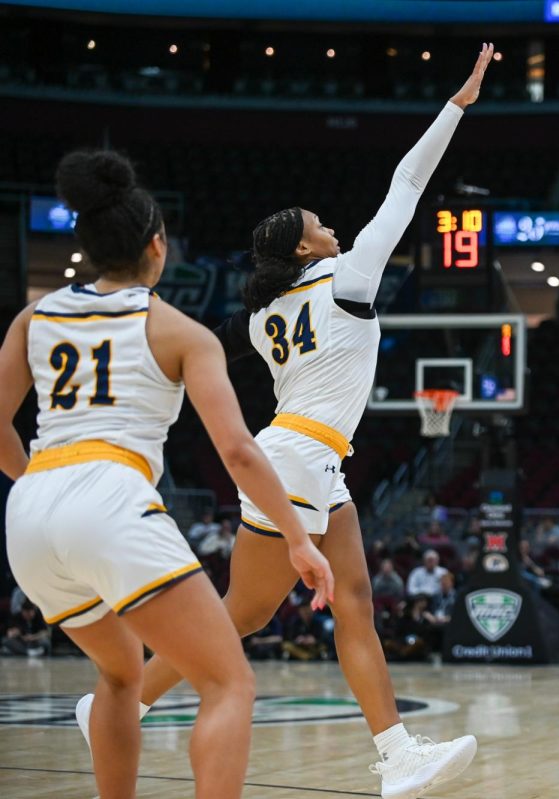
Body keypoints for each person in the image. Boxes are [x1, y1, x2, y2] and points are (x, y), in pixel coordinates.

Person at [82, 48, 494, 799]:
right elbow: (408, 182)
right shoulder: (349, 277)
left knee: (333, 602)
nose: (335, 227)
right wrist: (457, 105)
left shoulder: (267, 310)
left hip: (309, 459)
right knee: (247, 610)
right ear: (306, 247)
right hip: (300, 455)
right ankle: (118, 701)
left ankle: (395, 753)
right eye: (321, 224)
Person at [4, 149, 333, 798]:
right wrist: (297, 538)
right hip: (109, 496)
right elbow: (238, 450)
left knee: (122, 672)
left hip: (30, 508)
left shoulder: (32, 317)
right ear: (158, 246)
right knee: (228, 681)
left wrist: (38, 486)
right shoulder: (179, 330)